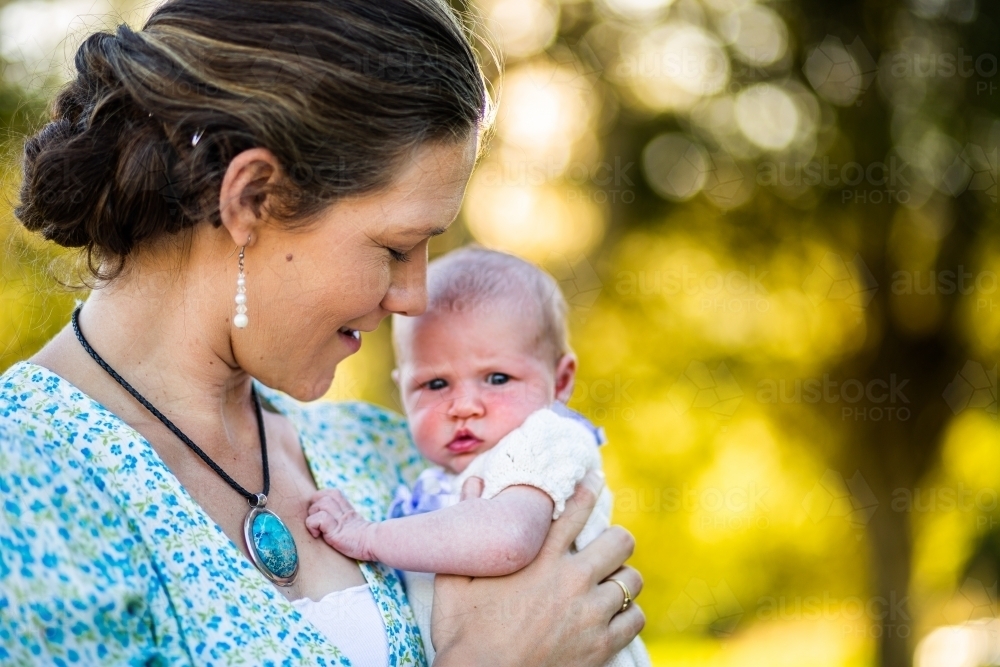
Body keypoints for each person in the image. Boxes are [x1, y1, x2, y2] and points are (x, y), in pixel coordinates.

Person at [0, 0, 644, 665]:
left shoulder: (388, 454)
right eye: (396, 248)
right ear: (251, 199)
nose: (413, 297)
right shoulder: (25, 491)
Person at [306, 247, 651, 667]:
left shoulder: (546, 438)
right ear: (403, 392)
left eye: (497, 378)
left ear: (559, 381)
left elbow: (508, 539)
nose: (464, 405)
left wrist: (367, 537)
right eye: (435, 384)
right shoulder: (429, 479)